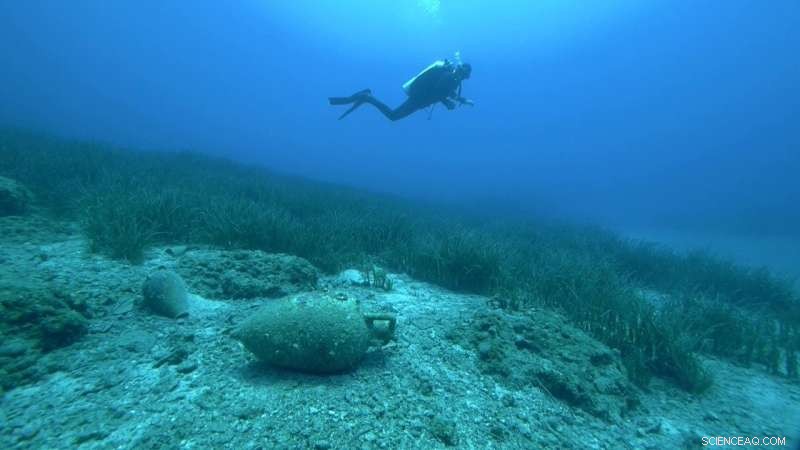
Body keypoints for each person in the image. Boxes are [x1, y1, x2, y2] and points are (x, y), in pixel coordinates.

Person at [329, 60, 473, 121]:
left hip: (420, 100)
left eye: (464, 77)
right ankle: (367, 97)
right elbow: (438, 92)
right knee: (393, 116)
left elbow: (444, 92)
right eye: (463, 75)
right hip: (418, 99)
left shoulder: (452, 80)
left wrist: (462, 100)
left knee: (393, 116)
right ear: (460, 71)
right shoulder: (449, 77)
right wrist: (447, 103)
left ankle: (367, 97)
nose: (463, 78)